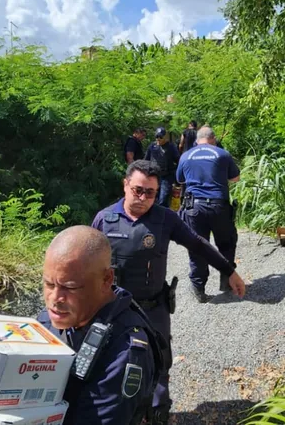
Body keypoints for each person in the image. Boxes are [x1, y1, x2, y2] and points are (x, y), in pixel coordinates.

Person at [91, 160, 246, 424]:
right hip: (113, 310)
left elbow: (198, 245)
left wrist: (228, 270)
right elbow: (86, 262)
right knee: (110, 365)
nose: (143, 197)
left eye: (150, 193)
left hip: (154, 308)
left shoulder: (165, 219)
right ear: (125, 185)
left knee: (160, 365)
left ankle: (158, 414)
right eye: (137, 190)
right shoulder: (104, 220)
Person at [37, 226, 166, 425]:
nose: (55, 299)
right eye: (49, 284)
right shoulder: (52, 316)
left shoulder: (124, 353)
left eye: (70, 287)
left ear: (106, 279)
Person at [176, 126, 241, 301]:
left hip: (194, 207)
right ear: (213, 139)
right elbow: (235, 178)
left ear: (197, 141)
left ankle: (199, 289)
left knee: (197, 246)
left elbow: (180, 179)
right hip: (219, 206)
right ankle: (226, 280)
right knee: (226, 243)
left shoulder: (186, 155)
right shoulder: (222, 154)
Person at [144, 127, 180, 208]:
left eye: (160, 137)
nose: (158, 139)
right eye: (157, 136)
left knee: (163, 199)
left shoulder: (171, 147)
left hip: (166, 177)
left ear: (165, 137)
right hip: (154, 176)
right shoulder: (152, 146)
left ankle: (163, 217)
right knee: (152, 198)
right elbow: (145, 160)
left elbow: (178, 160)